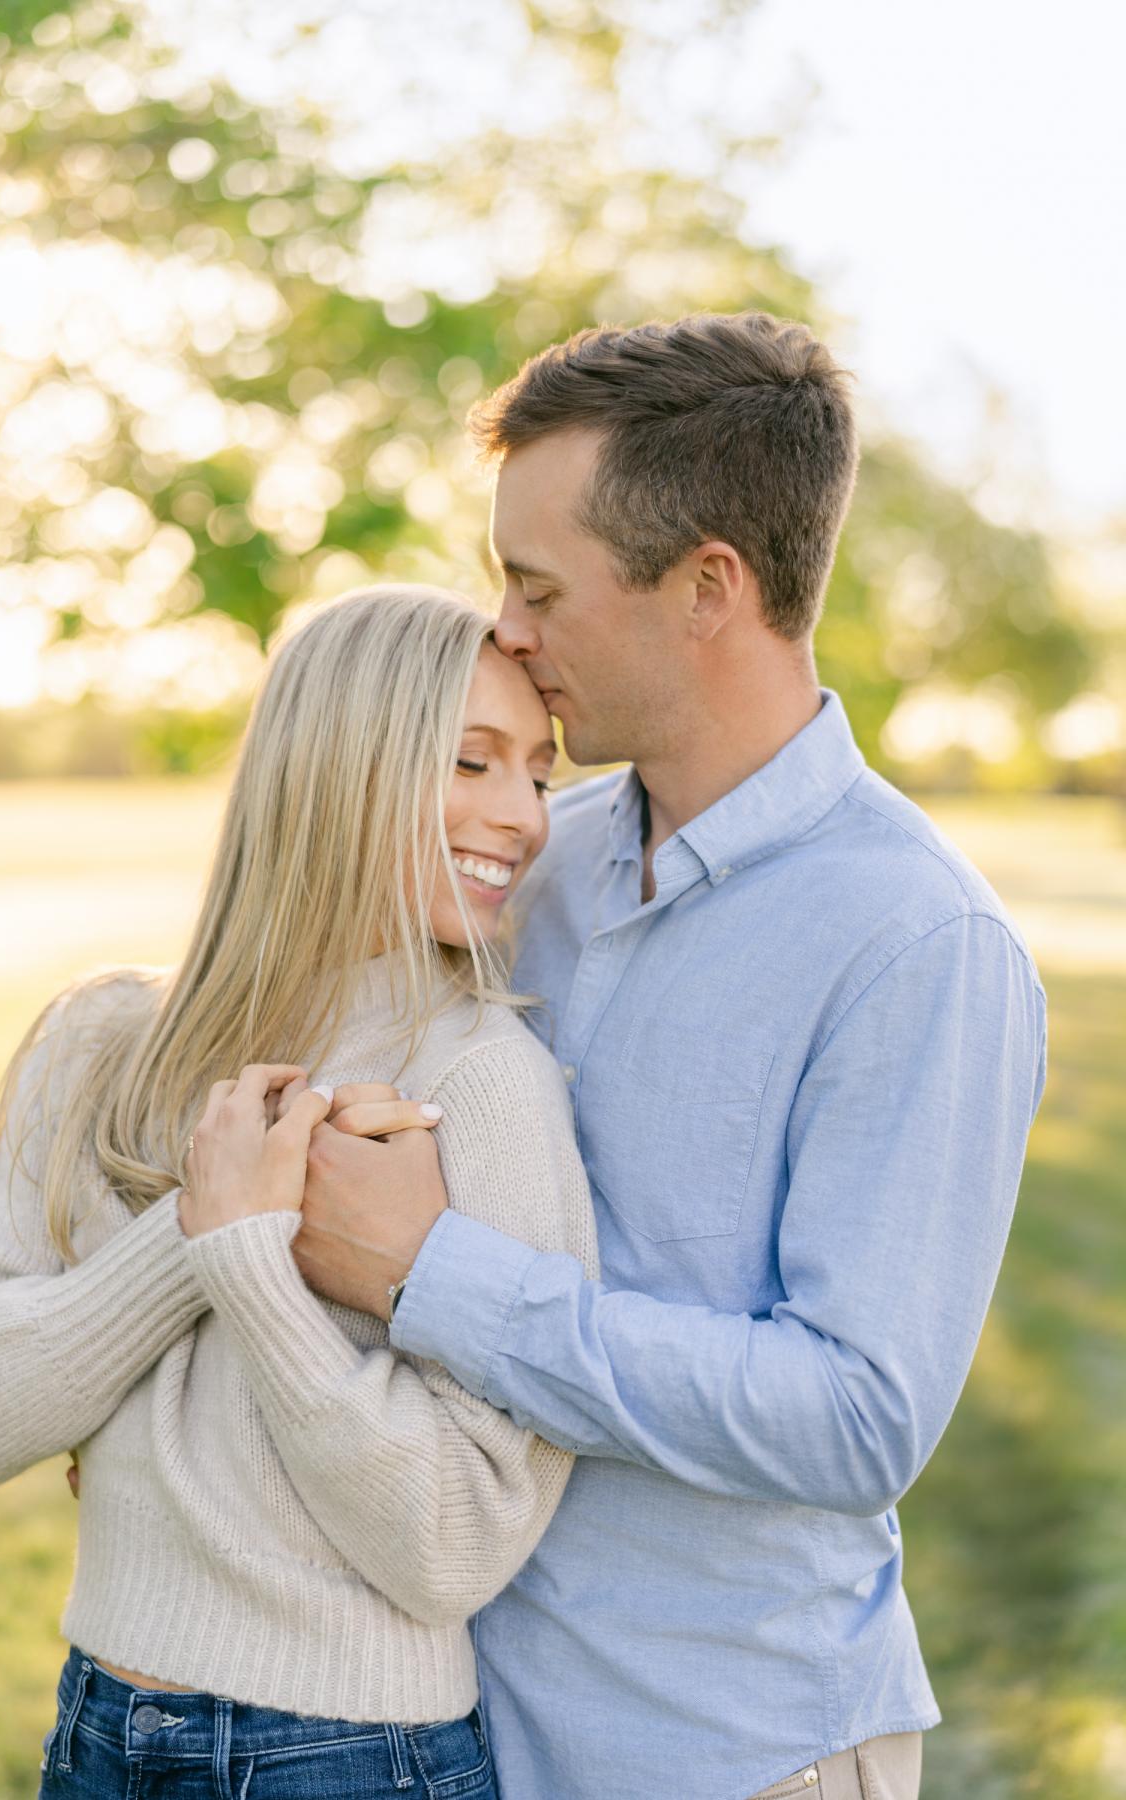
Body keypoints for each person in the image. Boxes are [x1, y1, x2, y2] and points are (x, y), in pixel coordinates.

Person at [289, 315, 1049, 1800]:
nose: (502, 631)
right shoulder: (528, 863)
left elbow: (855, 1418)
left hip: (727, 1752)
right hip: (447, 1726)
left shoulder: (917, 943)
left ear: (709, 586)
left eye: (538, 587)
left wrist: (432, 1274)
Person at [0, 586, 597, 1797]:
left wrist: (252, 1263)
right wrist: (195, 1238)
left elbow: (457, 1539)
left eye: (539, 777)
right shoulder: (99, 1045)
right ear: (343, 764)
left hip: (353, 1757)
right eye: (473, 762)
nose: (524, 817)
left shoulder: (483, 1083)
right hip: (96, 1731)